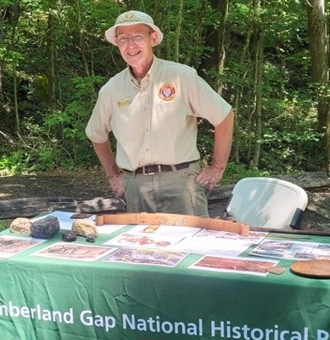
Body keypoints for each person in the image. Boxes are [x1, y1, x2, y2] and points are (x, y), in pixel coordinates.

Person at [86, 10, 234, 217]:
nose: (130, 45)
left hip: (182, 183)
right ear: (117, 44)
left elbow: (224, 116)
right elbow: (96, 134)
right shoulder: (111, 90)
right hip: (136, 186)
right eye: (123, 39)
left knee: (191, 245)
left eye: (138, 37)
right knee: (140, 247)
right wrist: (113, 176)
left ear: (153, 39)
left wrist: (217, 168)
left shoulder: (181, 77)